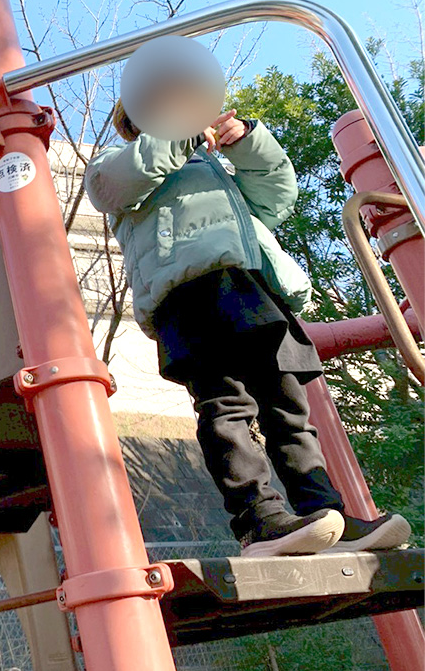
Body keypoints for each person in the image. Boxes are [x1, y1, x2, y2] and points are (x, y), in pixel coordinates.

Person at [85, 102, 411, 557]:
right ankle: (258, 519)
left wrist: (247, 141)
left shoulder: (216, 169)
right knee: (226, 404)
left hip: (253, 286)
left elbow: (277, 197)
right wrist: (182, 134)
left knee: (289, 408)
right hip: (188, 291)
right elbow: (114, 184)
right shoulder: (118, 165)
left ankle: (325, 514)